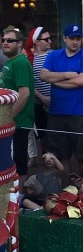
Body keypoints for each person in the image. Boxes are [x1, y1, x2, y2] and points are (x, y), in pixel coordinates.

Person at [39, 23, 83, 177]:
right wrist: (68, 75)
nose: (75, 41)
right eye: (72, 38)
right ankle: (66, 192)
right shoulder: (53, 55)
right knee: (59, 154)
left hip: (79, 113)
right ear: (64, 38)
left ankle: (80, 194)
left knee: (79, 155)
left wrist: (55, 80)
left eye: (78, 38)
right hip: (56, 112)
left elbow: (80, 81)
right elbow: (43, 75)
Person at [0, 28, 35, 190]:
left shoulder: (20, 62)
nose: (5, 43)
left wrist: (10, 117)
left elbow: (24, 93)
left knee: (18, 159)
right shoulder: (9, 62)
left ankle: (19, 198)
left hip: (18, 122)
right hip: (9, 121)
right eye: (4, 40)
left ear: (19, 44)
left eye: (10, 40)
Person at [25, 26, 52, 150]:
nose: (50, 41)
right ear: (37, 42)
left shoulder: (54, 55)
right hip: (37, 102)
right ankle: (47, 160)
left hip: (55, 101)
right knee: (42, 134)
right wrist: (42, 98)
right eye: (46, 39)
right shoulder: (29, 58)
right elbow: (29, 83)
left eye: (50, 38)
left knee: (56, 133)